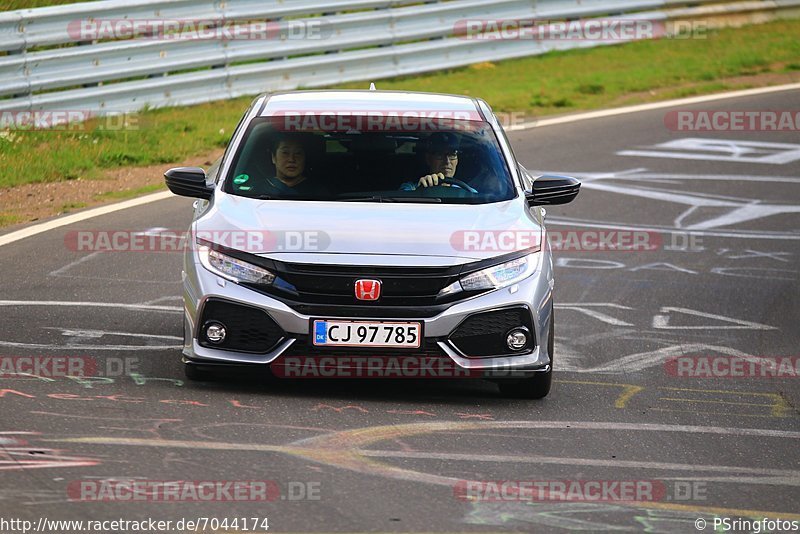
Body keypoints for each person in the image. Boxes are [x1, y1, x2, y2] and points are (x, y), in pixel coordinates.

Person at [399, 132, 467, 191]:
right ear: (428, 159)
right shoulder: (411, 188)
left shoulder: (465, 191)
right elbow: (401, 202)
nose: (447, 161)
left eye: (452, 155)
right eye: (440, 155)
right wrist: (420, 191)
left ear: (457, 160)